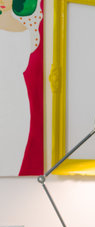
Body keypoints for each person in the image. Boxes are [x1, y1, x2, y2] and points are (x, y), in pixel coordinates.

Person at [0, 0, 41, 175]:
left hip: (15, 97)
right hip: (11, 89)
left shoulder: (24, 30)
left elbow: (21, 64)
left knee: (12, 152)